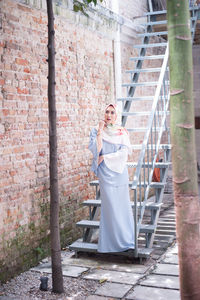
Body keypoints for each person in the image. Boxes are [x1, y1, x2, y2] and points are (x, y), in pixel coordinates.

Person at [88, 103, 135, 253]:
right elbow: (97, 150)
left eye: (112, 112)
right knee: (110, 208)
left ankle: (126, 240)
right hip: (105, 174)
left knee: (122, 206)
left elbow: (123, 154)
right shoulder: (95, 130)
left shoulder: (122, 132)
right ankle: (109, 244)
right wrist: (100, 131)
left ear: (117, 115)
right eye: (107, 111)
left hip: (119, 173)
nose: (109, 115)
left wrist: (105, 157)